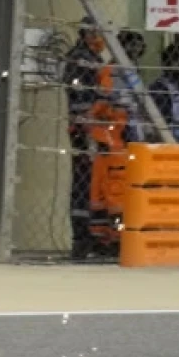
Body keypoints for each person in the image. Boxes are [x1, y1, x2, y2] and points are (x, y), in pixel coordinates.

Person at [82, 29, 147, 253]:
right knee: (113, 191)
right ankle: (109, 238)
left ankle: (117, 235)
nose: (135, 52)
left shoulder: (131, 71)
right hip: (115, 137)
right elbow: (104, 104)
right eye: (132, 47)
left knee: (122, 189)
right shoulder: (111, 71)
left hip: (127, 135)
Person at [62, 16, 107, 259]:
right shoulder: (82, 58)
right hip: (85, 128)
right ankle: (82, 236)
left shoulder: (92, 58)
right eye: (96, 33)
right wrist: (88, 118)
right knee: (84, 180)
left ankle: (90, 233)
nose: (100, 38)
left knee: (89, 181)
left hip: (91, 126)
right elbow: (81, 95)